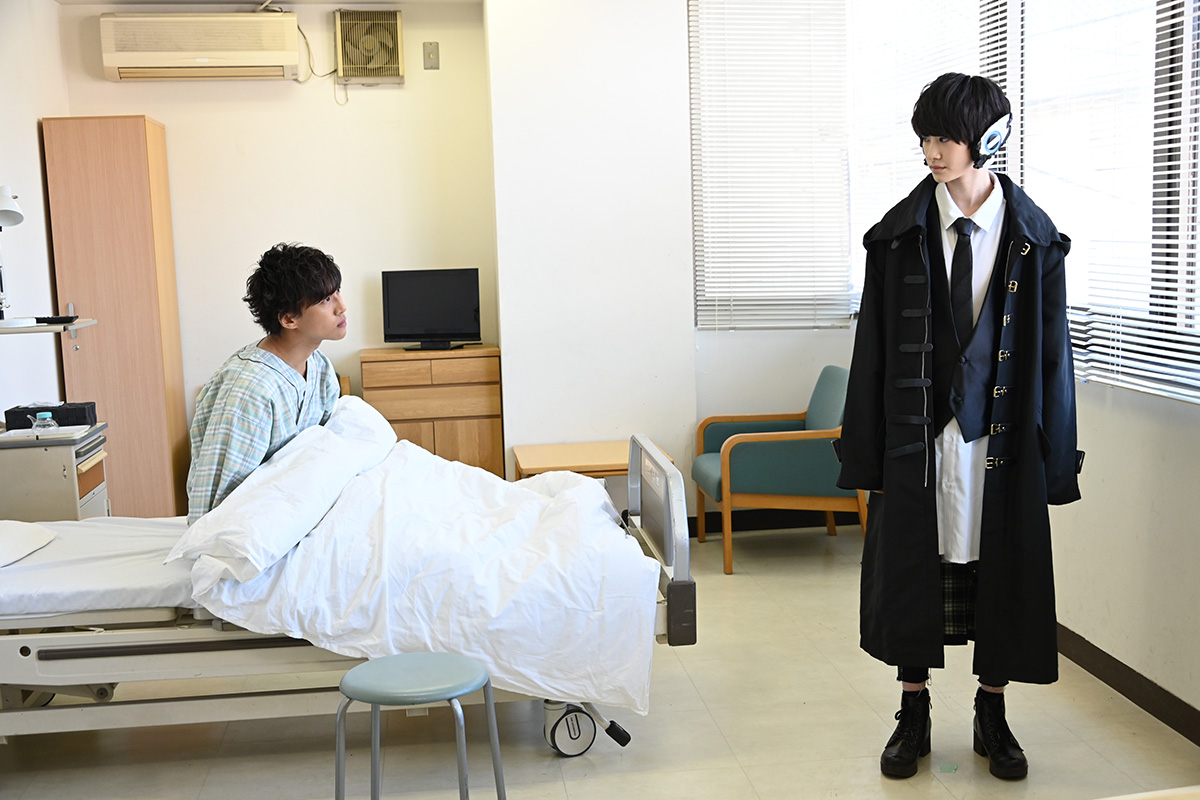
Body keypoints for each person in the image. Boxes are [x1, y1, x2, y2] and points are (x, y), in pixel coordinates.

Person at [837, 73, 1083, 781]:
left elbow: (1054, 357)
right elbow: (871, 352)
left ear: (988, 138)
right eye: (925, 137)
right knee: (912, 570)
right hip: (918, 437)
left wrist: (1056, 458)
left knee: (999, 570)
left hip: (999, 440)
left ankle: (991, 712)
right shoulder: (895, 237)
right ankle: (911, 713)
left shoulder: (1035, 239)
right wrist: (864, 453)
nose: (931, 152)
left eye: (944, 137)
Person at [186, 242, 347, 524]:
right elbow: (215, 505)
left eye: (337, 292)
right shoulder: (249, 390)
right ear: (288, 319)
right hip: (255, 529)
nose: (342, 307)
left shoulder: (319, 367)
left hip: (304, 515)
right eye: (325, 300)